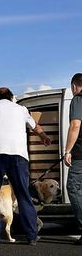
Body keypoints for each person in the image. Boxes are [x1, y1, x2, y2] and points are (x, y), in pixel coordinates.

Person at [0, 87, 51, 249]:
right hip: (18, 156)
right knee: (23, 195)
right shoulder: (21, 109)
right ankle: (31, 236)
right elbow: (35, 126)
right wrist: (44, 137)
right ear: (10, 97)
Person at [64, 73, 82, 245]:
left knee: (73, 187)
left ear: (74, 86)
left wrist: (68, 150)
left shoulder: (78, 99)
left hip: (81, 155)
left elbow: (75, 125)